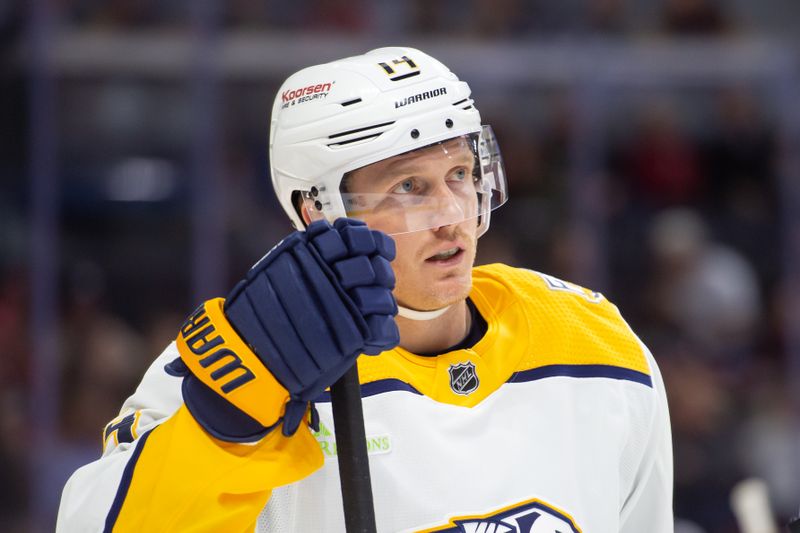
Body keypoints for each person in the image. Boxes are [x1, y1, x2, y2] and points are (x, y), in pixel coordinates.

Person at [56, 47, 673, 532]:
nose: (451, 214)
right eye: (409, 187)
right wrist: (224, 430)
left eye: (460, 174)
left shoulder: (596, 346)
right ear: (315, 209)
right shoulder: (232, 368)